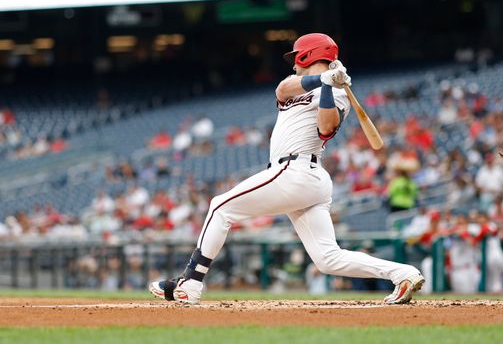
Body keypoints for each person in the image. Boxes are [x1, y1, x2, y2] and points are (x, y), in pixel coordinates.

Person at [150, 33, 424, 305]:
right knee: (328, 259)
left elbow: (326, 127)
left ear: (309, 55)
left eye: (297, 57)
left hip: (297, 170)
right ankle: (403, 273)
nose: (294, 64)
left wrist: (329, 86)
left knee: (220, 206)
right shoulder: (297, 86)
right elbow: (283, 89)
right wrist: (322, 79)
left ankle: (191, 282)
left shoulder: (338, 94)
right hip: (302, 178)